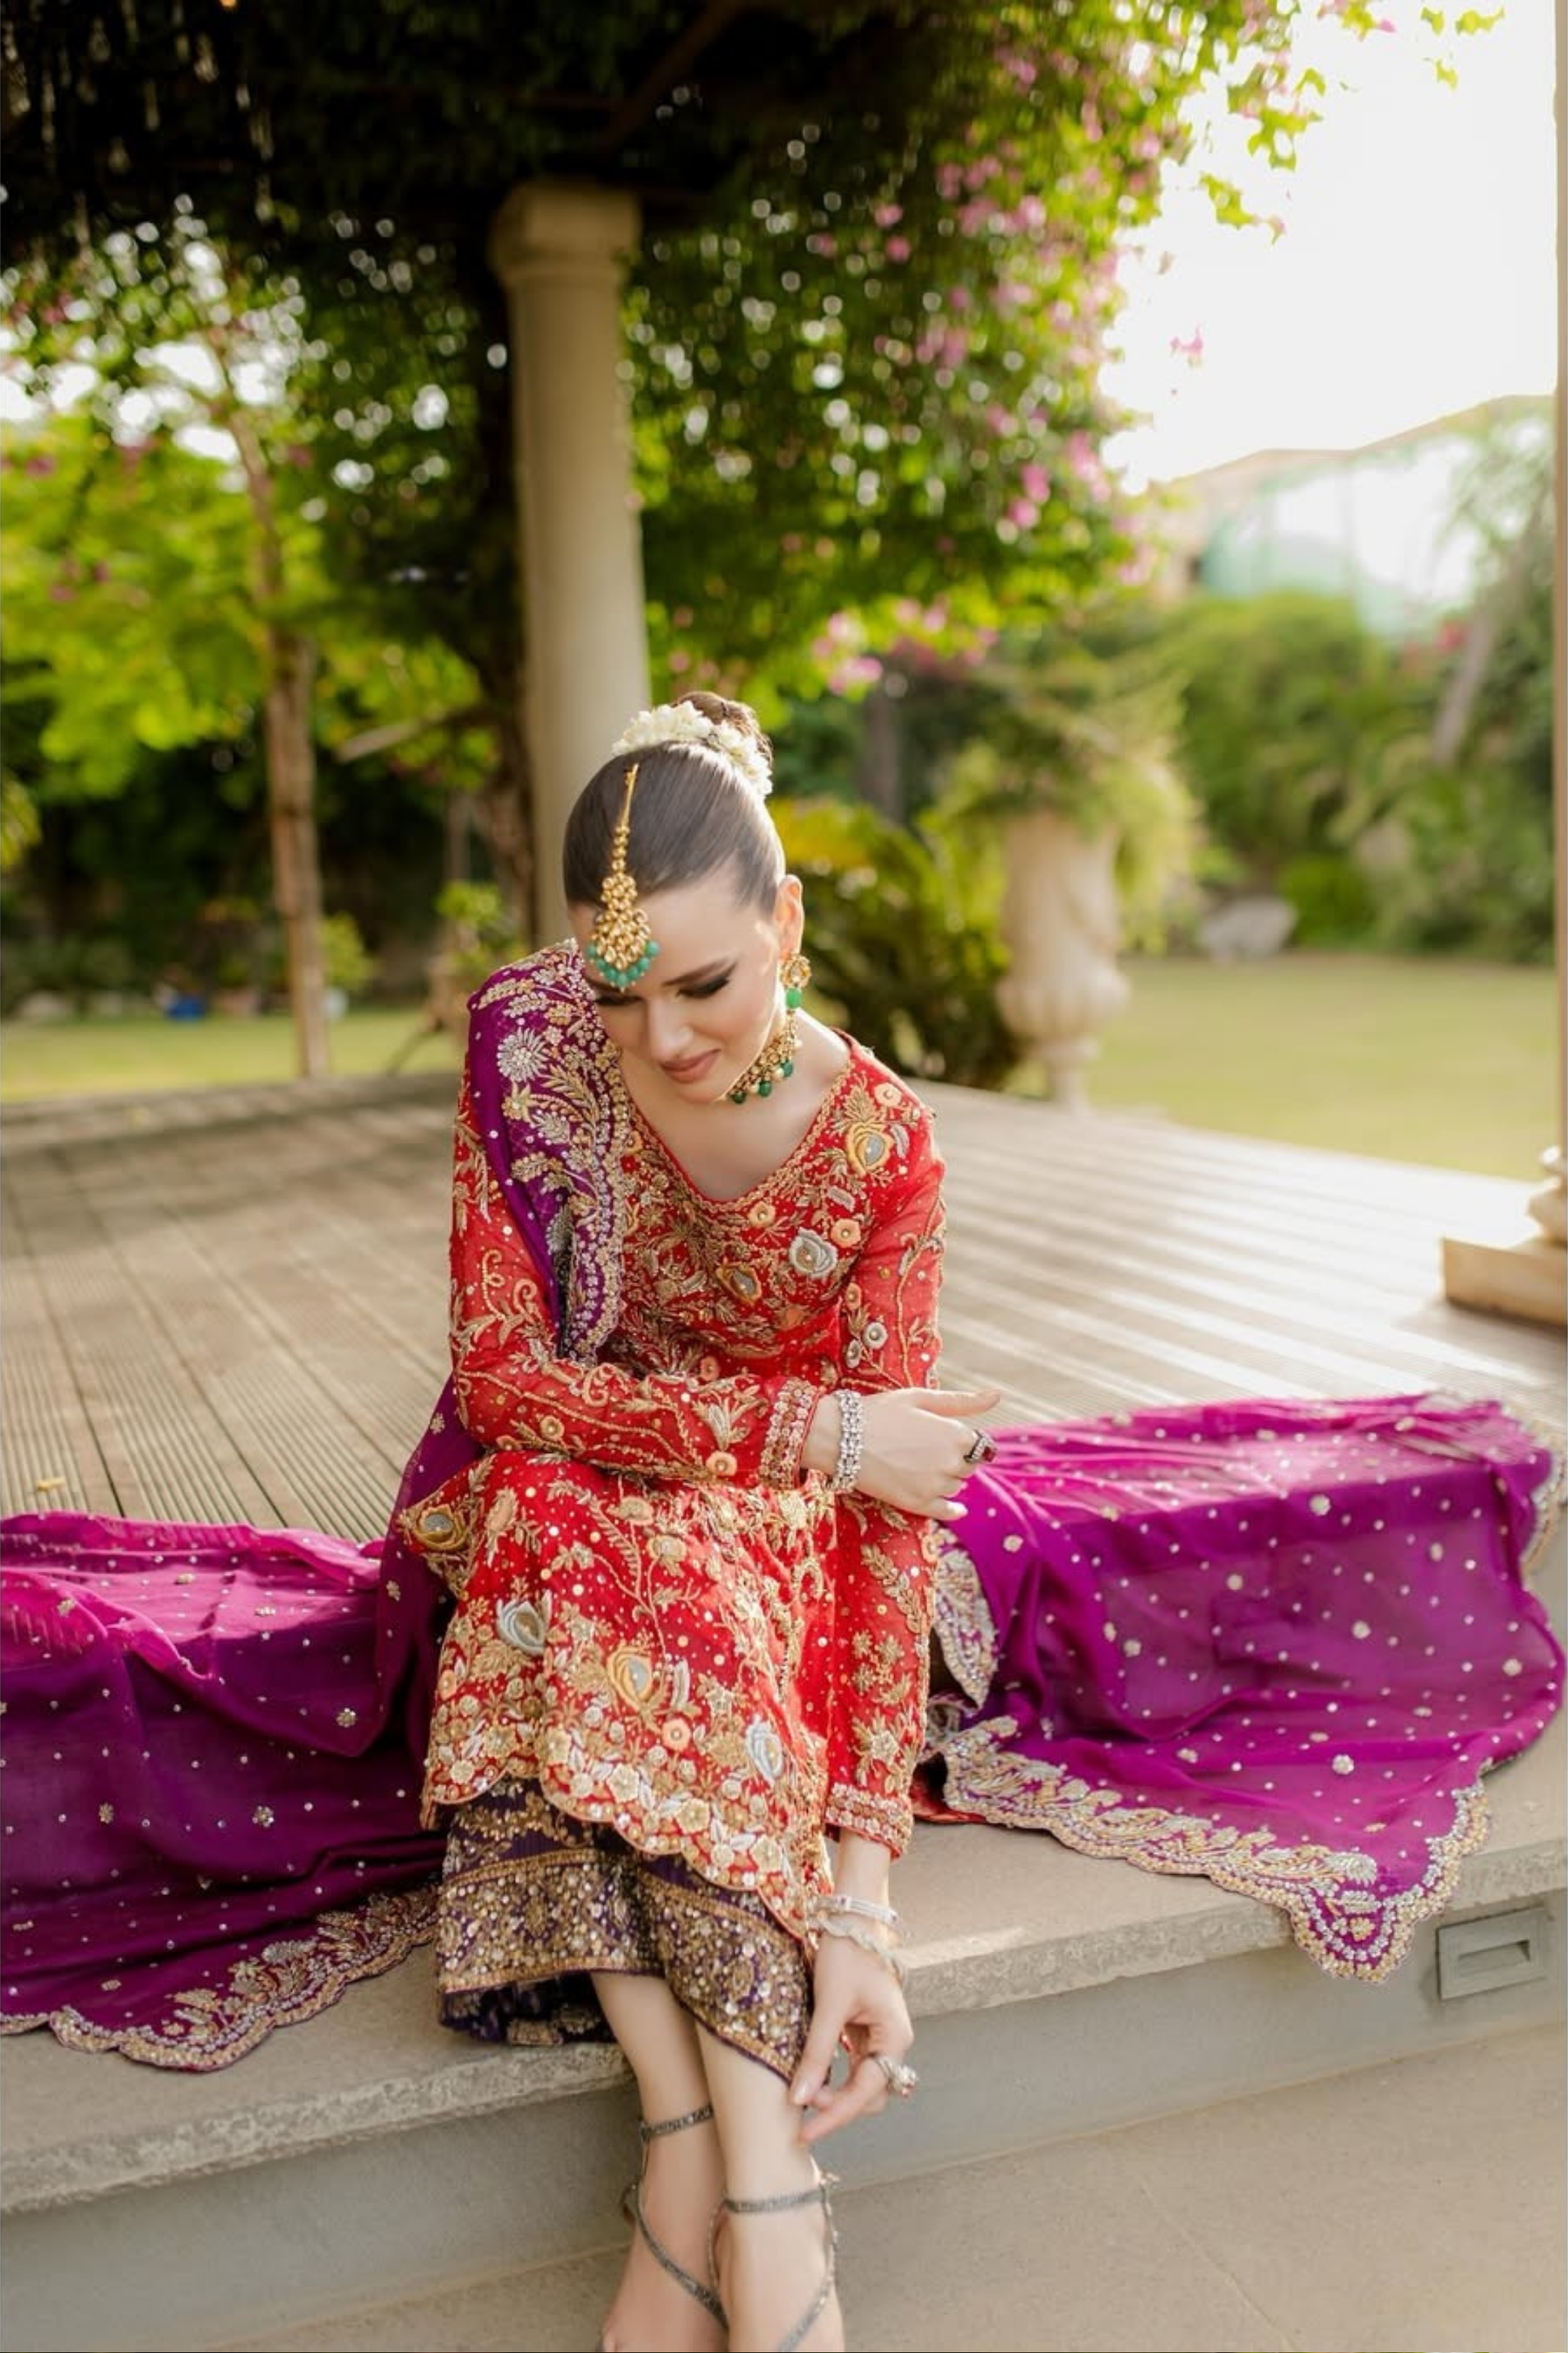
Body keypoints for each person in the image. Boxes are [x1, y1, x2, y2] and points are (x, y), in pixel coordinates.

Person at [2, 693, 1562, 2348]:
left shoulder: (882, 1146)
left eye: (703, 985)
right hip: (554, 1508)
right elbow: (509, 1385)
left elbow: (890, 1526)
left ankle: (697, 2186)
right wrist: (809, 1428)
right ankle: (746, 2175)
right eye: (619, 995)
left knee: (642, 1552)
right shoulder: (527, 1043)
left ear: (787, 924)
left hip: (775, 1563)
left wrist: (864, 1900)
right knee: (561, 1509)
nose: (660, 1039)